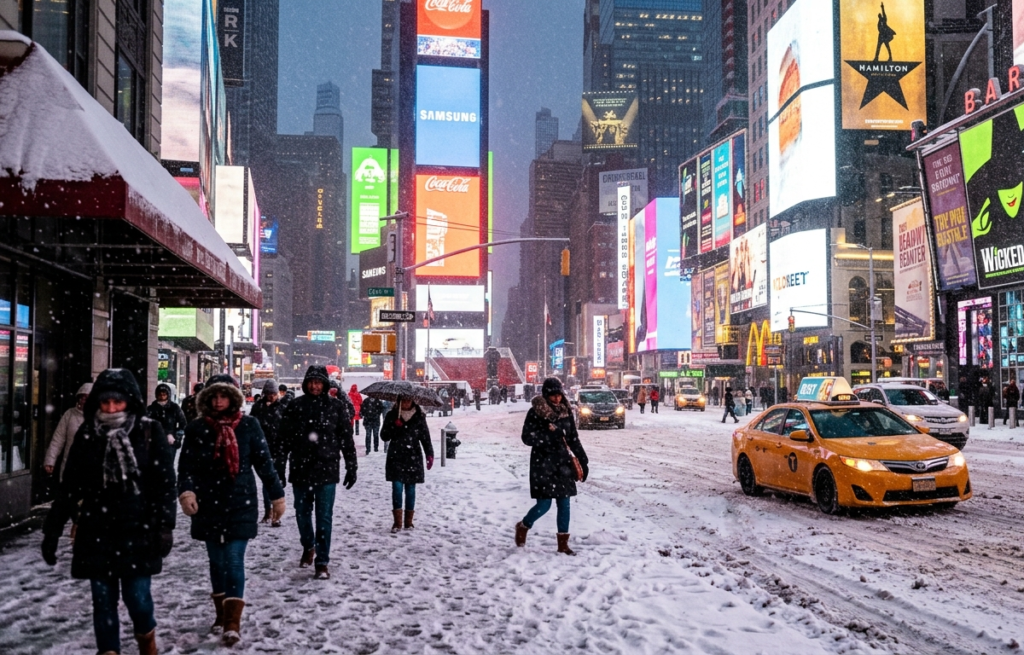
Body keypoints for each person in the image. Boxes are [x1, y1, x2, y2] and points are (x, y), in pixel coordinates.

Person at [41, 369, 176, 655]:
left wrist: (165, 526)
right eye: (105, 402)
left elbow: (164, 485)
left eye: (118, 402)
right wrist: (52, 530)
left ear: (130, 401)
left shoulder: (149, 431)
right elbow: (70, 488)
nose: (111, 408)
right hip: (96, 532)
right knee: (102, 602)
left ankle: (146, 643)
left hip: (138, 530)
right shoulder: (88, 435)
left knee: (137, 599)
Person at [178, 374, 285, 646]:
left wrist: (276, 495)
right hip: (208, 503)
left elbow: (264, 462)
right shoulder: (197, 428)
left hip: (241, 501)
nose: (218, 401)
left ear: (233, 398)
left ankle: (231, 622)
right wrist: (186, 491)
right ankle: (220, 613)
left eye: (223, 395)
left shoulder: (249, 425)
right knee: (216, 561)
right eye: (213, 396)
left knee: (234, 560)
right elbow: (186, 466)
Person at [280, 365, 357, 580]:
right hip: (301, 469)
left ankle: (322, 561)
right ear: (306, 383)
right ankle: (308, 545)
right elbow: (283, 439)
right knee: (302, 513)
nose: (315, 386)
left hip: (327, 469)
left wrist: (352, 466)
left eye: (319, 382)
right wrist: (279, 465)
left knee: (324, 517)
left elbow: (346, 439)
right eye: (311, 382)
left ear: (325, 384)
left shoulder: (336, 407)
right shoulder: (296, 406)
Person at [514, 378, 589, 556]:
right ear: (546, 395)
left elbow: (573, 438)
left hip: (563, 463)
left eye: (558, 395)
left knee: (564, 503)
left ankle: (563, 544)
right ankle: (524, 525)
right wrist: (548, 435)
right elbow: (527, 437)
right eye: (552, 396)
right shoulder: (536, 412)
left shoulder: (566, 412)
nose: (556, 399)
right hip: (543, 463)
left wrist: (583, 460)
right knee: (544, 504)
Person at [381, 396, 435, 533]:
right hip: (396, 457)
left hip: (413, 457)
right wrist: (394, 425)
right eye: (403, 400)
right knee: (397, 488)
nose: (406, 402)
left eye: (408, 400)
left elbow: (425, 436)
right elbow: (384, 436)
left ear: (413, 401)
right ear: (398, 401)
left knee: (411, 489)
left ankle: (409, 522)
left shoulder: (419, 416)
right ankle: (397, 522)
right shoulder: (392, 415)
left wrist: (429, 454)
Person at [250, 378, 287, 526]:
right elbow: (252, 426)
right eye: (269, 393)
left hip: (278, 449)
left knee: (276, 480)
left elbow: (286, 427)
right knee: (267, 481)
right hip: (263, 449)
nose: (272, 396)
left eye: (274, 393)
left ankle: (276, 511)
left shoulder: (282, 407)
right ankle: (269, 511)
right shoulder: (258, 407)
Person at [146, 382, 188, 448]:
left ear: (168, 395)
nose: (162, 396)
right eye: (160, 394)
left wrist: (176, 437)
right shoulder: (151, 409)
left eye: (164, 394)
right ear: (156, 395)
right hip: (155, 442)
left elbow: (183, 423)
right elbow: (146, 424)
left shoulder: (174, 408)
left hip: (171, 441)